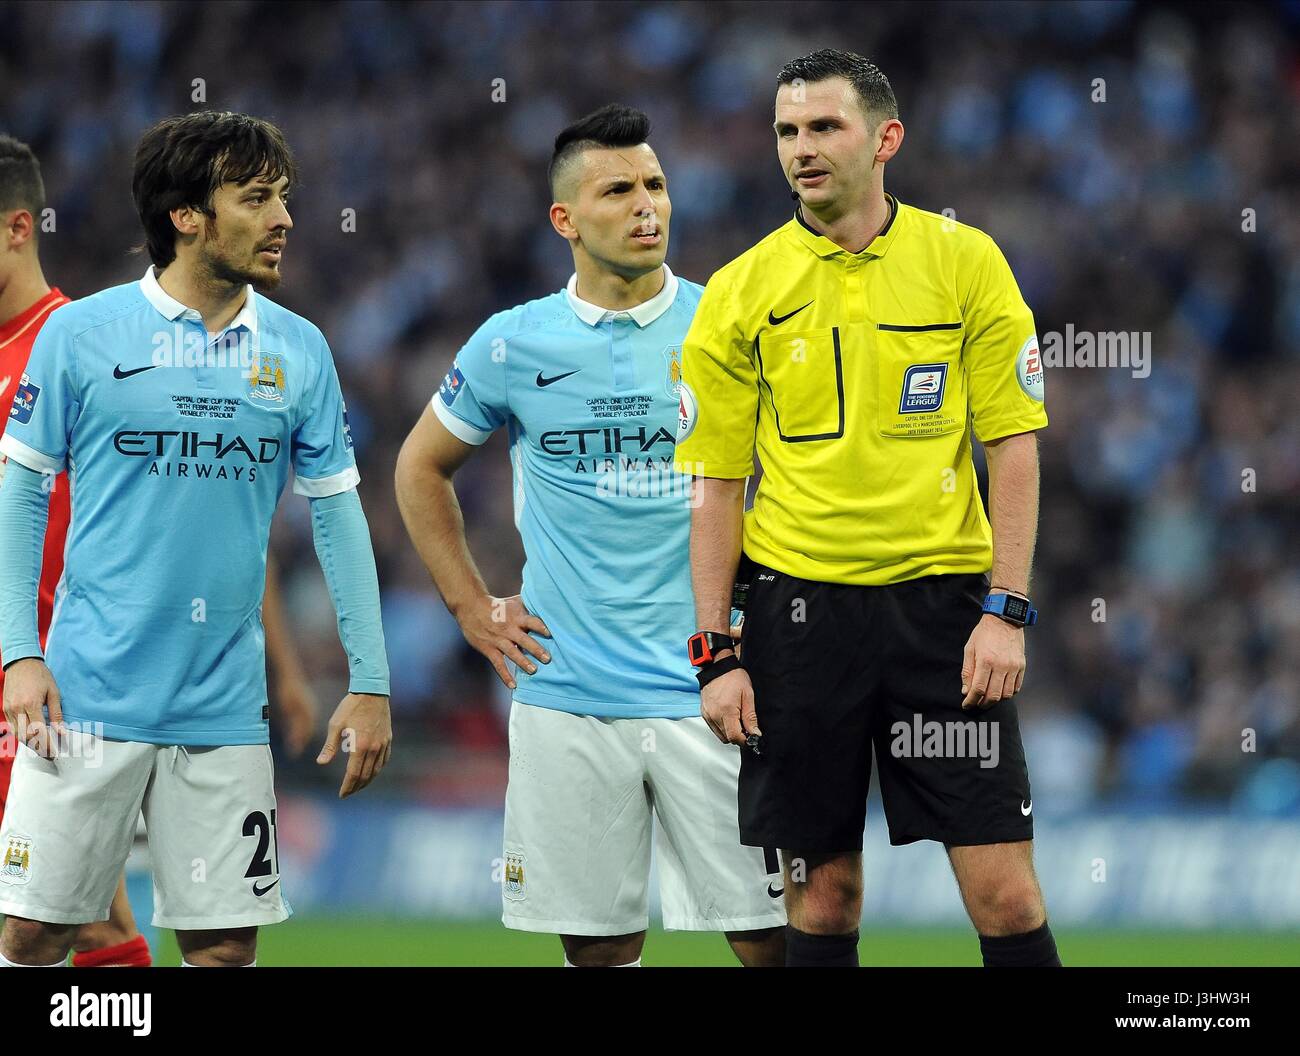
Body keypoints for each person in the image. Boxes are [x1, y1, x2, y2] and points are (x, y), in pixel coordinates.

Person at [674, 49, 1060, 968]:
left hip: (944, 617)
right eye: (786, 131)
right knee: (824, 897)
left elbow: (1012, 445)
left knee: (1004, 896)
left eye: (824, 127)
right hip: (798, 619)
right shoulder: (739, 291)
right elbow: (717, 486)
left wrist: (1005, 610)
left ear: (886, 138)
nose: (801, 149)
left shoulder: (964, 263)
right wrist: (714, 654)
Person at [395, 105, 786, 967]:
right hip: (567, 690)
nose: (647, 204)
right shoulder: (513, 342)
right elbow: (418, 469)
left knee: (771, 940)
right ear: (565, 220)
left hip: (715, 685)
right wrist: (471, 607)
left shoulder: (727, 324)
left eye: (655, 184)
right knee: (599, 951)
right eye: (618, 189)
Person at [0, 111, 391, 968]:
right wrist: (18, 655)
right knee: (33, 933)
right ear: (186, 217)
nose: (284, 218)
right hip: (86, 699)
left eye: (284, 198)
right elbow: (21, 493)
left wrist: (369, 680)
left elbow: (337, 516)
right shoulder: (82, 336)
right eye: (256, 199)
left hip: (223, 711)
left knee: (222, 950)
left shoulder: (300, 352)